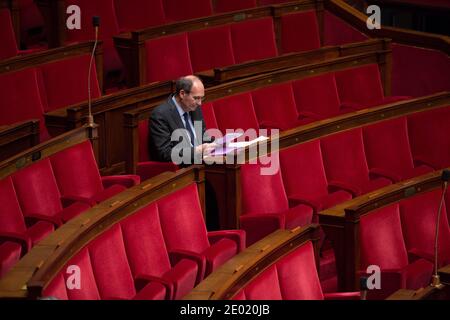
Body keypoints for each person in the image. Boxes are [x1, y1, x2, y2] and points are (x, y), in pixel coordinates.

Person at [149, 75, 216, 165]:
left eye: (201, 98)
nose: (200, 103)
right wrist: (197, 151)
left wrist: (218, 144)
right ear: (182, 94)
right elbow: (165, 154)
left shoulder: (195, 108)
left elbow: (202, 137)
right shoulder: (160, 115)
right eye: (196, 98)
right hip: (183, 171)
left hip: (202, 163)